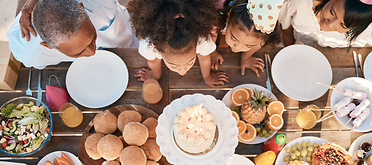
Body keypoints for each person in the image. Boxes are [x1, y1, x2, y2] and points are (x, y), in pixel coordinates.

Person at [7, 0, 138, 69]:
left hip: (131, 40)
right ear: (48, 46)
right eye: (78, 53)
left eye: (92, 39)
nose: (92, 52)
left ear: (81, 6)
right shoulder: (29, 53)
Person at [128, 0, 228, 88]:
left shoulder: (202, 40)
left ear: (197, 43)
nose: (182, 72)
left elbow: (204, 57)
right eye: (173, 66)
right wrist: (155, 76)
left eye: (190, 62)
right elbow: (154, 62)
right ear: (156, 49)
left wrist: (207, 77)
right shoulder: (148, 46)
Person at [211, 1, 282, 76]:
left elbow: (261, 42)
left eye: (249, 45)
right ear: (228, 18)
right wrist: (212, 52)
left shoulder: (264, 29)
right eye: (233, 38)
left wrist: (245, 58)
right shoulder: (216, 19)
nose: (237, 48)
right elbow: (212, 35)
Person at [279, 0, 372, 47]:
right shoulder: (298, 4)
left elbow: (365, 51)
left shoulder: (366, 29)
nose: (329, 25)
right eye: (332, 12)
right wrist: (290, 49)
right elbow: (285, 28)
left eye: (343, 25)